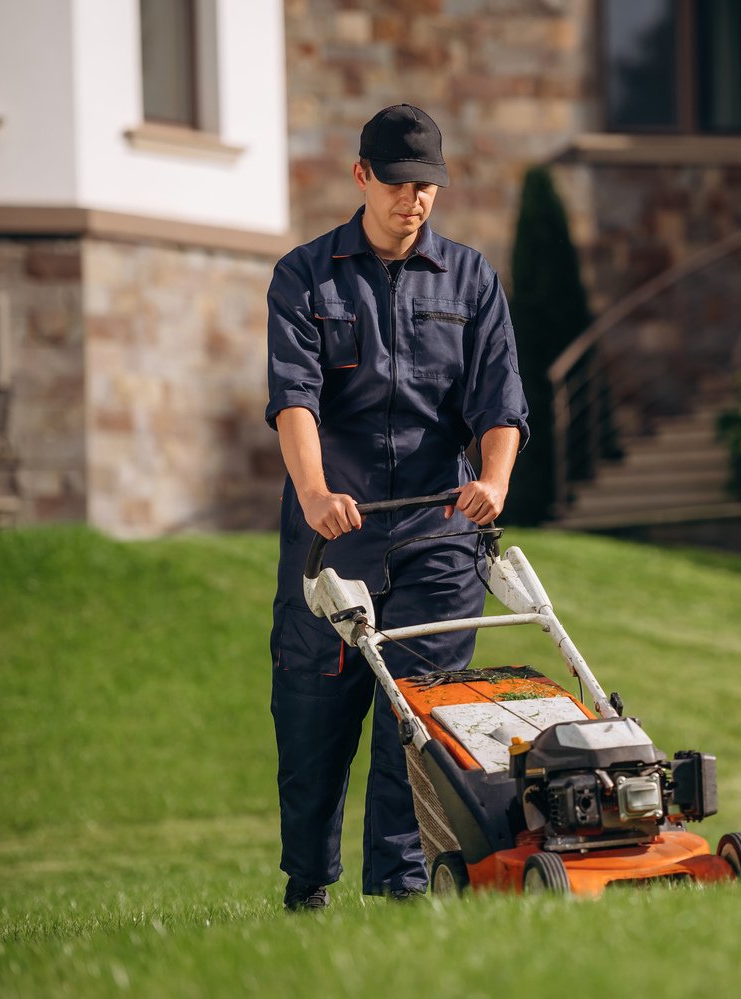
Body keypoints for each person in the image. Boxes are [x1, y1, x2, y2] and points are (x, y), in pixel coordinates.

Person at [264, 104, 528, 911]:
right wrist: (314, 493)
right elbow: (294, 398)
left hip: (438, 534)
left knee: (416, 719)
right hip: (333, 537)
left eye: (427, 186)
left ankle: (402, 889)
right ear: (361, 177)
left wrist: (494, 483)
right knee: (314, 716)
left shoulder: (472, 281)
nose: (413, 199)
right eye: (398, 183)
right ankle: (308, 884)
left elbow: (501, 401)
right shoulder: (305, 277)